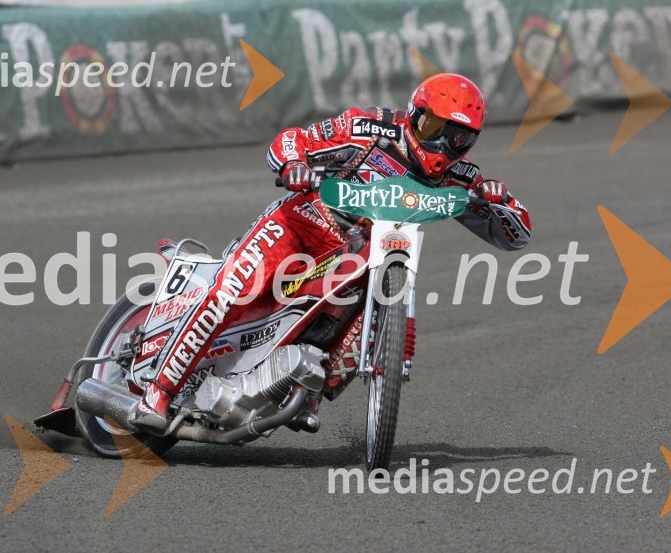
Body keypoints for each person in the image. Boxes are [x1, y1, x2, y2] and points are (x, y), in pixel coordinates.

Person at [131, 73, 531, 435]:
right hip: (301, 222)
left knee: (369, 296)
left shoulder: (459, 177)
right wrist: (293, 164)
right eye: (434, 128)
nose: (443, 144)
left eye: (457, 137)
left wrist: (498, 201)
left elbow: (518, 234)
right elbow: (293, 139)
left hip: (359, 252)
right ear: (414, 115)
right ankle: (158, 391)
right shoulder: (367, 127)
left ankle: (306, 387)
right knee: (232, 291)